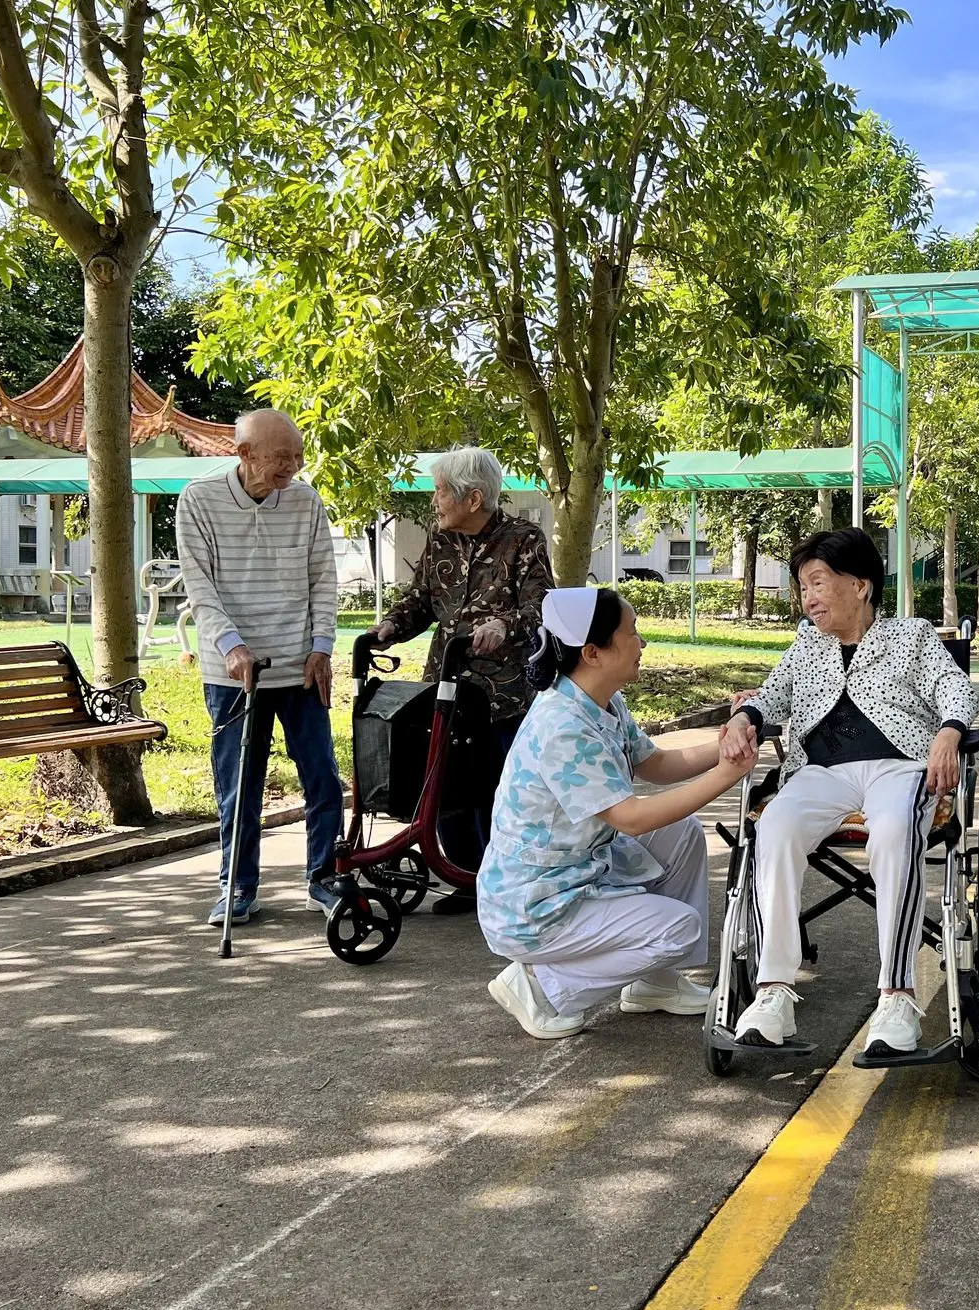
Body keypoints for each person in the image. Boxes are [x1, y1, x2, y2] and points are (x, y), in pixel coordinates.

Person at [717, 528, 978, 1057]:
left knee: (894, 830)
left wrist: (949, 732)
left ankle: (898, 997)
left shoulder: (912, 636)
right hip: (821, 771)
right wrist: (746, 717)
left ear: (860, 586)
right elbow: (773, 695)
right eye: (803, 587)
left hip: (899, 767)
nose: (808, 598)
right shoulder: (807, 644)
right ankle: (773, 992)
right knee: (775, 828)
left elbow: (957, 690)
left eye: (818, 583)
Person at [477, 588, 755, 1039]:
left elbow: (657, 764)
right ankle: (541, 986)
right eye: (632, 632)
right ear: (593, 653)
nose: (642, 642)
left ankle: (656, 983)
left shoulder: (599, 701)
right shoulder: (563, 726)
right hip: (535, 904)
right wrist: (727, 774)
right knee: (679, 929)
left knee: (682, 832)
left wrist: (726, 743)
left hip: (576, 870)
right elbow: (632, 818)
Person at [176, 408, 345, 925]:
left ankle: (325, 877)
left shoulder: (306, 501)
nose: (292, 467)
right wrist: (231, 646)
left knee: (323, 777)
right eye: (281, 457)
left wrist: (322, 646)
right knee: (239, 784)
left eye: (298, 456)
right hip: (232, 671)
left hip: (300, 666)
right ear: (245, 453)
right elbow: (199, 587)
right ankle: (237, 886)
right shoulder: (198, 500)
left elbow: (324, 578)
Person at [373, 446, 553, 912]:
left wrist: (503, 626)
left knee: (500, 789)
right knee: (445, 782)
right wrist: (390, 626)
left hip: (502, 692)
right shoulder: (440, 540)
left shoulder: (524, 539)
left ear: (473, 498)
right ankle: (466, 877)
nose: (435, 501)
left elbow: (540, 607)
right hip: (446, 683)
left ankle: (503, 881)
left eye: (440, 492)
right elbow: (420, 600)